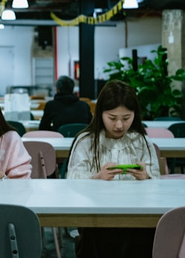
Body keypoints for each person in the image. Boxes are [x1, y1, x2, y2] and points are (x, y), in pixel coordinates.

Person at [66, 80, 159, 258]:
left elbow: (158, 186)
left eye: (126, 118)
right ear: (100, 113)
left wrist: (146, 177)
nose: (119, 125)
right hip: (96, 216)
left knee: (143, 235)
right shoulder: (86, 141)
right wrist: (97, 177)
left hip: (136, 216)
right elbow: (72, 183)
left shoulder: (141, 141)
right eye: (112, 118)